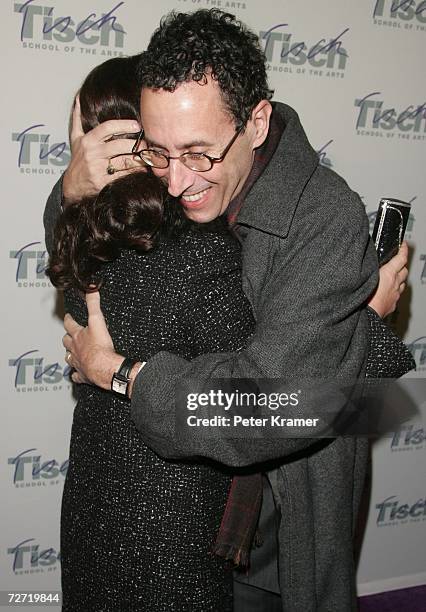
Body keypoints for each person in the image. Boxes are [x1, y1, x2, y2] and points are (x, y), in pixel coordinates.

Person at [44, 10, 412, 612]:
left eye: (199, 154)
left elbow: (269, 403)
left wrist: (117, 372)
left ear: (257, 121)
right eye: (158, 153)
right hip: (183, 513)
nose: (175, 181)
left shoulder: (323, 219)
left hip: (273, 518)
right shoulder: (178, 194)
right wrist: (72, 189)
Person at [46, 56, 256, 612]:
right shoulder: (208, 250)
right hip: (175, 514)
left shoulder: (76, 236)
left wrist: (72, 185)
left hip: (92, 494)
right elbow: (244, 404)